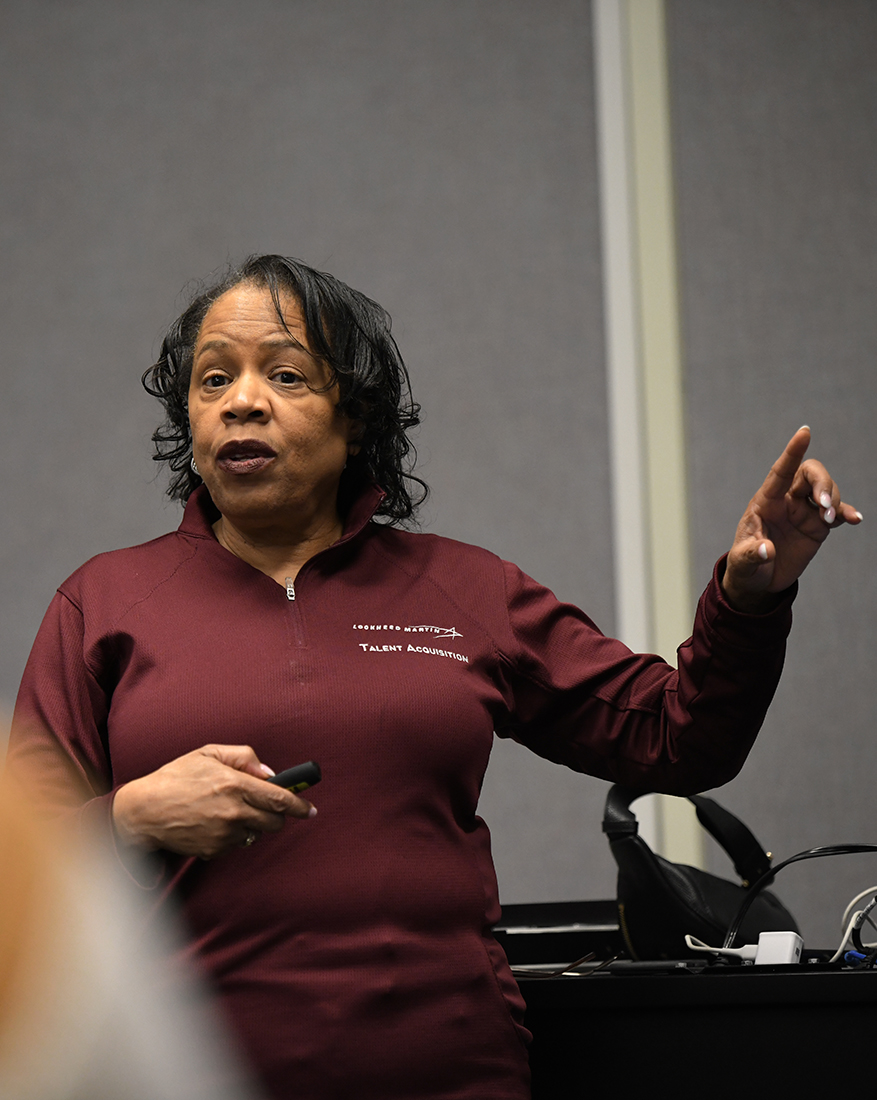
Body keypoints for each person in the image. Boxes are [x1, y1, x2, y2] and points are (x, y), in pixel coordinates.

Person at [7, 255, 860, 1100]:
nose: (240, 399)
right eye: (212, 379)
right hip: (190, 1081)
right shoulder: (103, 602)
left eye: (286, 374)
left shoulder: (464, 588)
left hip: (449, 1074)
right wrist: (130, 817)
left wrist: (750, 597)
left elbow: (679, 737)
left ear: (354, 418)